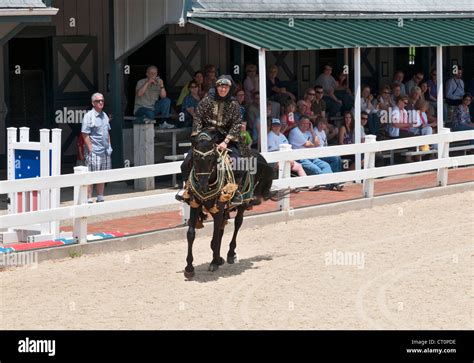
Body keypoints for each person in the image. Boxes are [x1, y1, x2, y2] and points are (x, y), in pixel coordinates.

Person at [178, 75, 253, 203]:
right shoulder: (206, 101)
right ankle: (187, 189)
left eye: (225, 87)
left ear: (230, 88)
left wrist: (225, 142)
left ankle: (236, 192)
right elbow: (197, 118)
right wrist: (198, 137)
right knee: (185, 164)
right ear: (216, 87)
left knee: (240, 163)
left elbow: (236, 124)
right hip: (207, 136)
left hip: (226, 137)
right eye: (220, 86)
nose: (222, 89)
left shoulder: (234, 104)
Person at [81, 92, 112, 203]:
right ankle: (89, 198)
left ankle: (100, 196)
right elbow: (85, 134)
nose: (101, 102)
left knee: (102, 175)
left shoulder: (105, 116)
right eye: (98, 101)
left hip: (105, 151)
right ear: (93, 103)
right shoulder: (88, 116)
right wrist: (91, 149)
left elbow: (107, 132)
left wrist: (109, 147)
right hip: (94, 151)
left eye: (102, 100)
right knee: (91, 175)